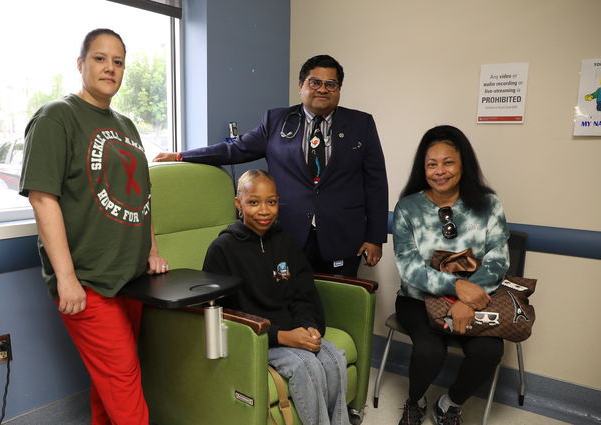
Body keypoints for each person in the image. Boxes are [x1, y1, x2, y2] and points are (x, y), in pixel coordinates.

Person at [19, 28, 168, 425]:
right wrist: (66, 278)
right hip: (88, 279)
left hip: (131, 277)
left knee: (111, 383)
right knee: (124, 382)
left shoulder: (126, 124)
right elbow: (42, 199)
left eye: (118, 61)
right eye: (100, 58)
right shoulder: (57, 117)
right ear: (81, 63)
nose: (110, 68)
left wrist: (151, 250)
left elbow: (142, 197)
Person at [155, 55, 388, 277]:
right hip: (289, 234)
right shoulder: (276, 121)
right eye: (315, 82)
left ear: (338, 89)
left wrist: (375, 238)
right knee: (290, 299)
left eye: (331, 84)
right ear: (301, 85)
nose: (323, 89)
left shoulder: (361, 124)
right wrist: (180, 156)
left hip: (344, 237)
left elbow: (376, 183)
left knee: (342, 306)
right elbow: (234, 149)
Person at [202, 170, 349, 425]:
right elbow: (223, 315)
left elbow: (304, 294)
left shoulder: (286, 243)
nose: (264, 210)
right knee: (308, 366)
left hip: (294, 329)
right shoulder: (222, 250)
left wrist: (310, 327)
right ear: (238, 204)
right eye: (253, 202)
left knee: (334, 358)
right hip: (259, 338)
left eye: (271, 202)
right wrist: (280, 336)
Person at [391, 125, 509, 425]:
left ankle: (450, 404)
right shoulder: (407, 207)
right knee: (429, 351)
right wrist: (457, 286)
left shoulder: (488, 204)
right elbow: (409, 267)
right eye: (432, 164)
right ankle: (414, 401)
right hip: (418, 299)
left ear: (463, 165)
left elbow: (498, 259)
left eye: (448, 162)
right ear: (423, 168)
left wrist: (468, 300)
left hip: (476, 298)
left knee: (489, 350)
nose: (439, 171)